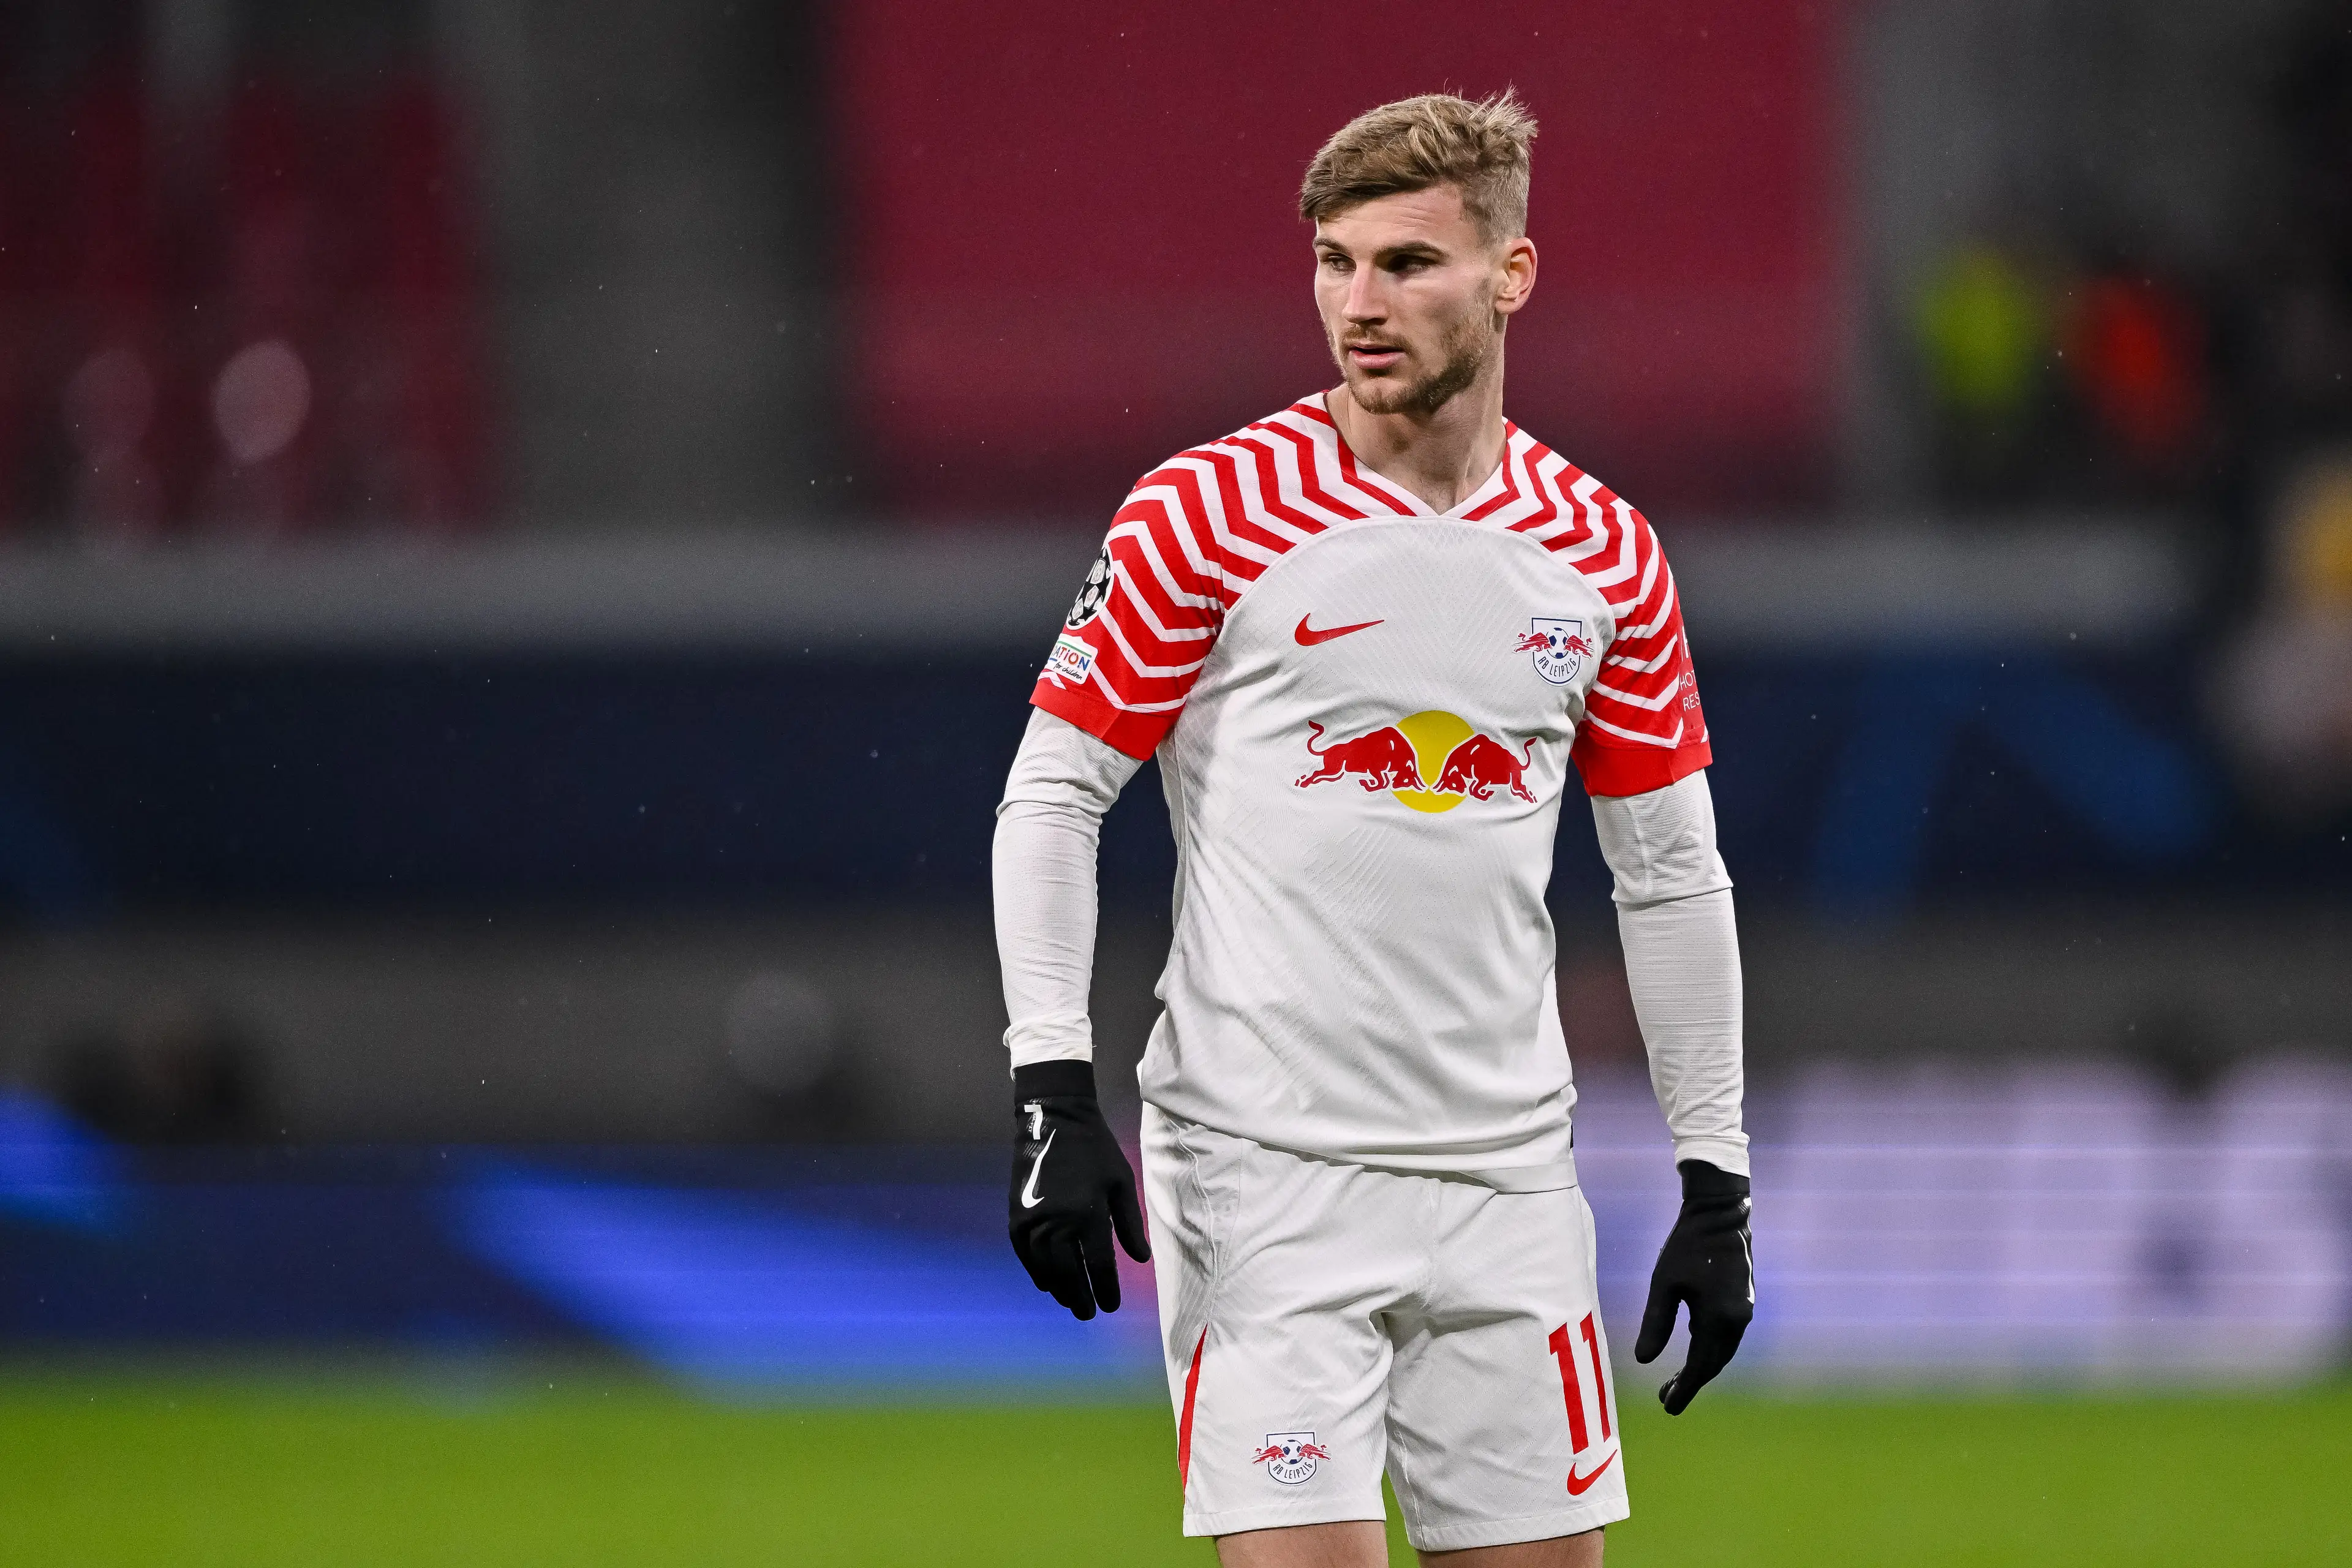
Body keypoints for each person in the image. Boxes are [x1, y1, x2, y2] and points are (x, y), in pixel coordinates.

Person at [993, 91, 1752, 1567]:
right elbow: (1052, 791)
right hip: (1265, 1168)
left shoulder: (1601, 552)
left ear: (1511, 275)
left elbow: (1669, 874)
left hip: (1509, 1179)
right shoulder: (1207, 513)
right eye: (1336, 263)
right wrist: (1051, 1093)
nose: (1361, 303)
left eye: (1408, 263)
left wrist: (1714, 1177)